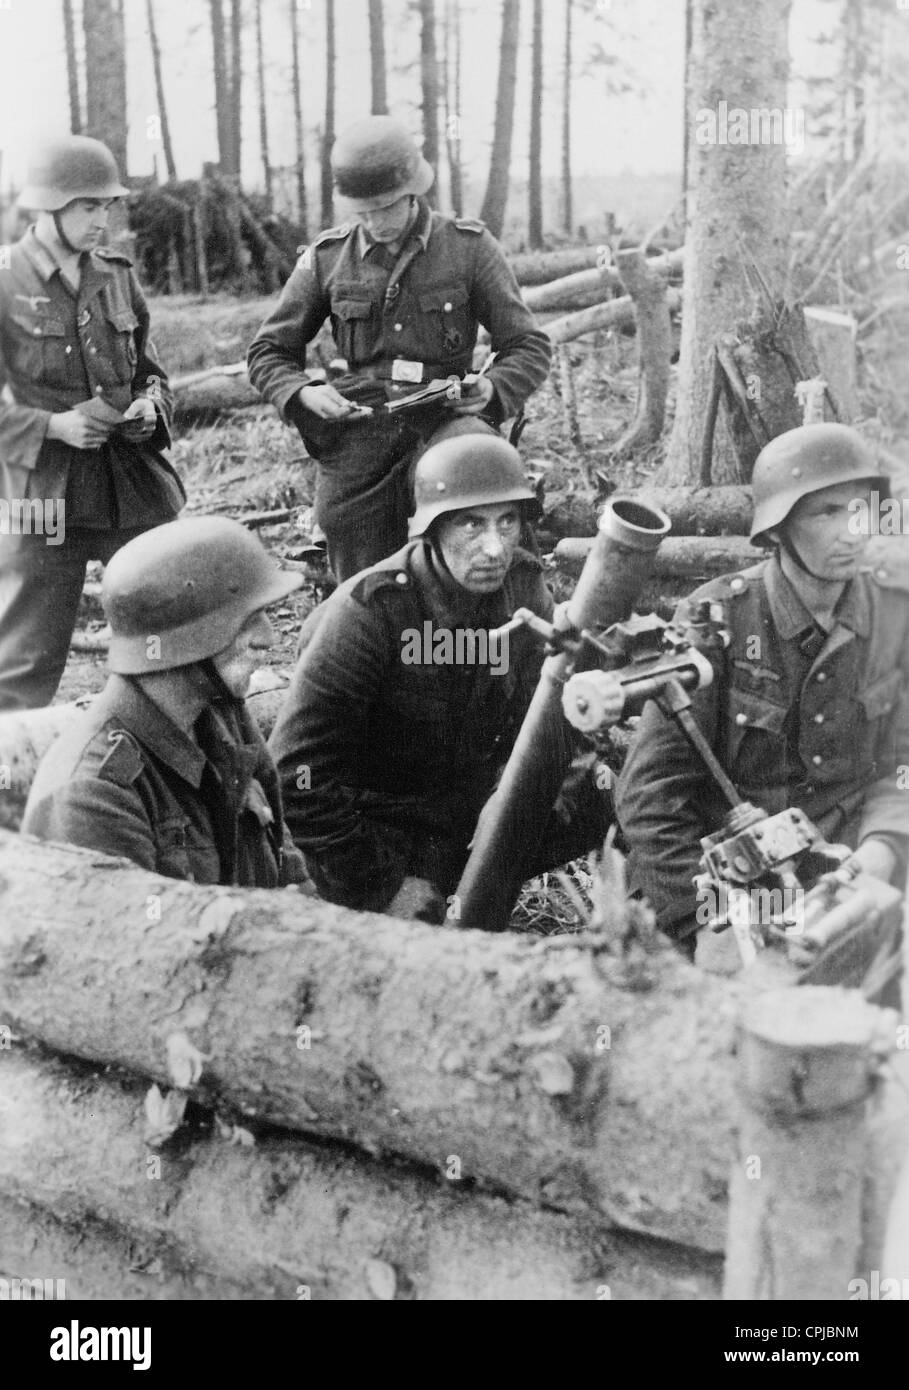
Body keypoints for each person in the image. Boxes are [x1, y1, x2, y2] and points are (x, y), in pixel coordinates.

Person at [268, 430, 617, 920]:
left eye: (508, 522)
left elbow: (546, 717)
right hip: (380, 827)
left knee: (611, 793)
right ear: (431, 530)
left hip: (468, 807)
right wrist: (379, 886)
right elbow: (298, 774)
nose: (495, 548)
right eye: (472, 525)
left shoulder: (521, 587)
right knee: (418, 931)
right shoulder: (369, 614)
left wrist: (518, 798)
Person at [615, 423, 909, 956]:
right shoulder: (716, 619)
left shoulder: (894, 610)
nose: (853, 531)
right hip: (722, 874)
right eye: (826, 512)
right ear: (777, 529)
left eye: (861, 508)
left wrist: (882, 851)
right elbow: (651, 794)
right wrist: (708, 917)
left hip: (844, 861)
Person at [247, 115, 551, 581]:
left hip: (447, 415)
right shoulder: (327, 259)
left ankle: (497, 630)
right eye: (362, 211)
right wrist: (302, 391)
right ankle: (367, 632)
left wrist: (492, 389)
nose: (374, 222)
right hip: (363, 423)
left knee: (483, 494)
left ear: (413, 192)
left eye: (385, 208)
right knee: (346, 528)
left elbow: (527, 344)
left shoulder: (468, 248)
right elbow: (268, 351)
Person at [23, 517, 309, 889]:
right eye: (248, 619)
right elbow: (140, 943)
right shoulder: (94, 795)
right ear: (184, 636)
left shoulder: (222, 714)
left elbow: (288, 871)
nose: (269, 638)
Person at [0, 135, 183, 712]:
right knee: (25, 662)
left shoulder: (117, 276)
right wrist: (53, 427)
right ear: (46, 209)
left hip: (129, 488)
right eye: (87, 206)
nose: (102, 219)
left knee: (169, 637)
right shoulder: (7, 282)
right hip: (42, 495)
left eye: (107, 206)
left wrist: (151, 408)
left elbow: (153, 373)